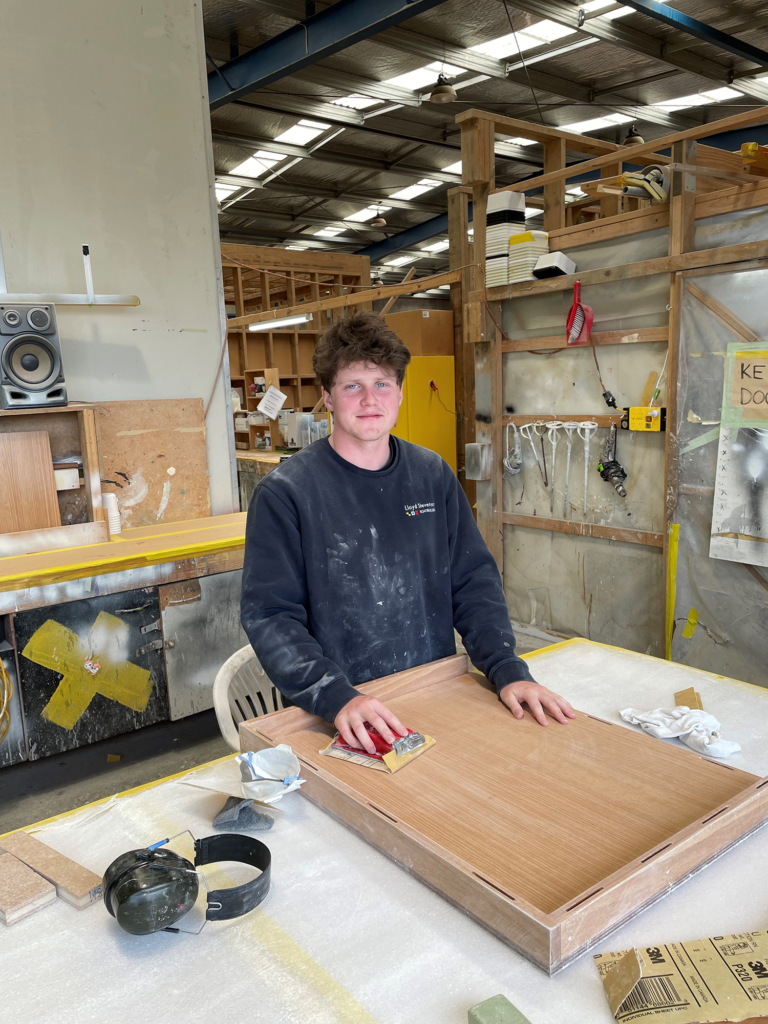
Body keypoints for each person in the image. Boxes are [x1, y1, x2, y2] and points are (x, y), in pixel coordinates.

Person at [240, 311, 574, 755]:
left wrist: (506, 667)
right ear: (327, 397)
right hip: (337, 711)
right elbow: (270, 615)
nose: (369, 399)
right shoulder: (286, 494)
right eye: (352, 386)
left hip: (431, 690)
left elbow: (472, 582)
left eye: (382, 384)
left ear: (399, 393)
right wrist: (334, 695)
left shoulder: (431, 474)